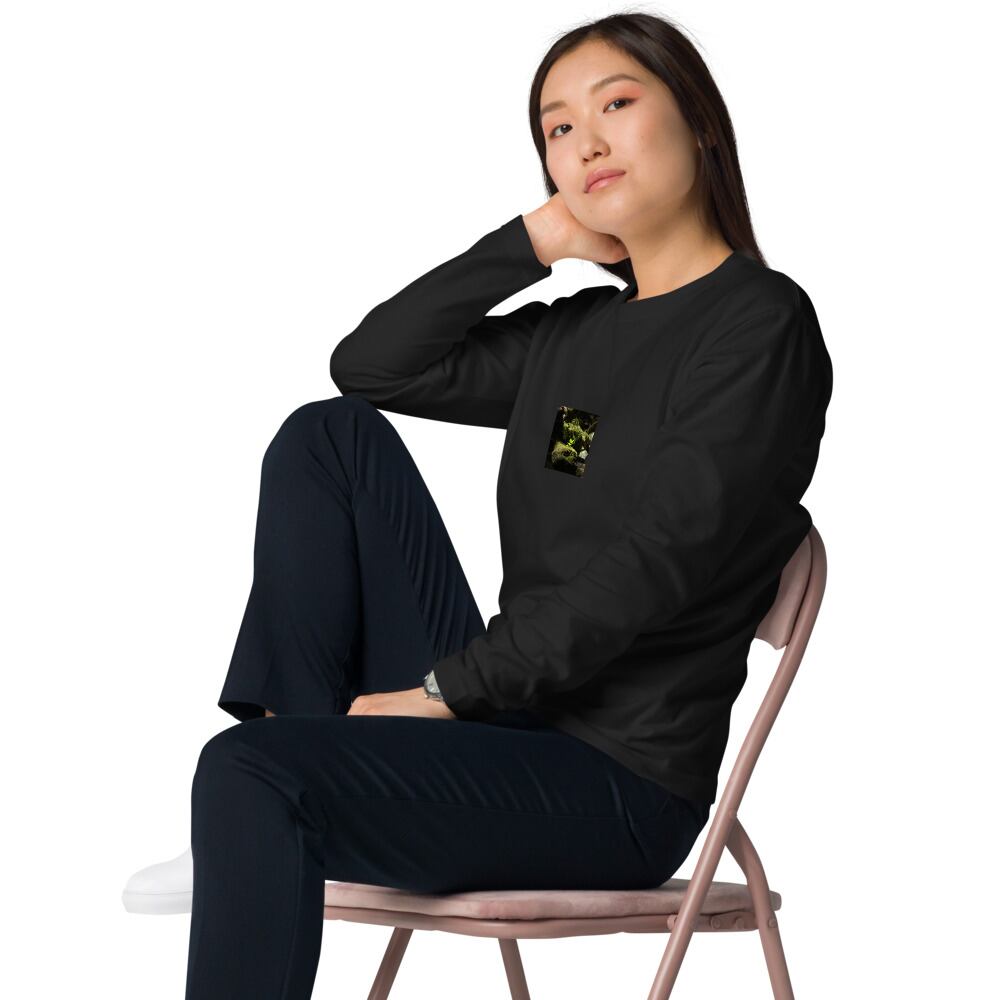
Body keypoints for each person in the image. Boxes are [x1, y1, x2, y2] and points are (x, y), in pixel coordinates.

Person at [122, 12, 833, 999]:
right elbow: (371, 366)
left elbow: (650, 569)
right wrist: (532, 244)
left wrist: (442, 691)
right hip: (508, 723)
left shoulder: (758, 325)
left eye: (616, 105)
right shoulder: (574, 335)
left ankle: (267, 798)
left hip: (614, 784)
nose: (585, 143)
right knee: (328, 438)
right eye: (558, 129)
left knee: (247, 772)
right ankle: (282, 781)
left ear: (700, 123)